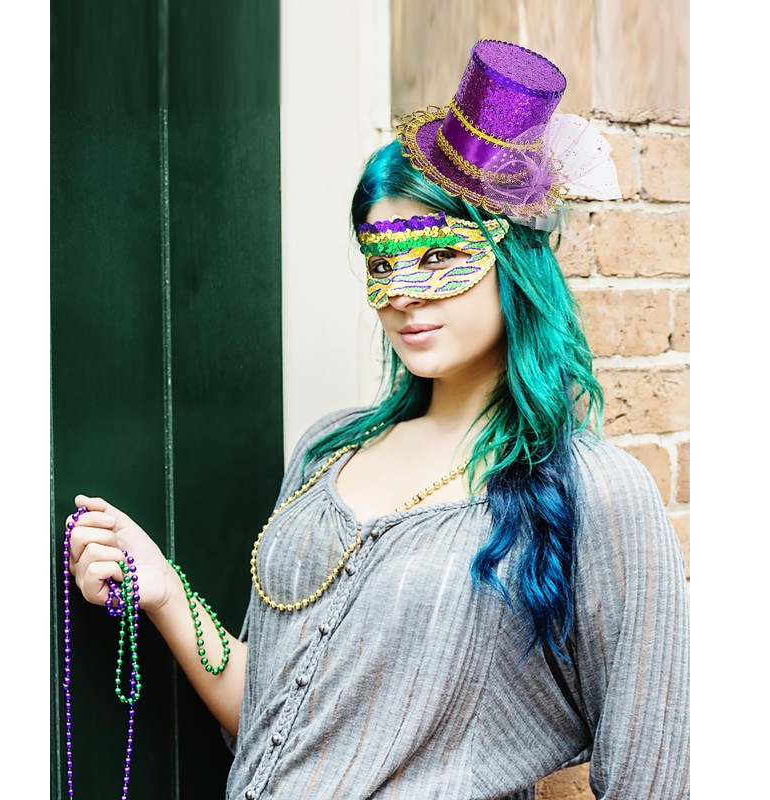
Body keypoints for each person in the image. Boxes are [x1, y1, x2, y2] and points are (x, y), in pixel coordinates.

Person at [68, 40, 689, 800]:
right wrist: (165, 593)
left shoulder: (594, 491)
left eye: (438, 257)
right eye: (382, 262)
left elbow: (654, 774)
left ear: (514, 263)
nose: (403, 292)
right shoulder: (328, 449)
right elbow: (270, 715)